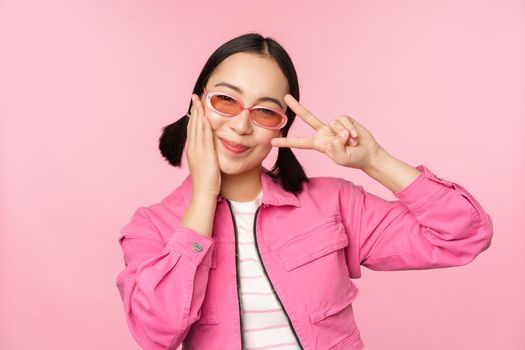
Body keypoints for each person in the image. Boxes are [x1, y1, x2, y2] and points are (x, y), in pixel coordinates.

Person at [115, 32, 494, 350]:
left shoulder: (334, 203)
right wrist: (203, 196)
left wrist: (374, 159)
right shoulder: (152, 226)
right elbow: (157, 332)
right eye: (226, 101)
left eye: (264, 111)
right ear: (196, 105)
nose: (242, 126)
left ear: (281, 128)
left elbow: (464, 235)